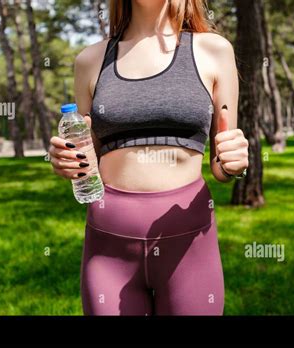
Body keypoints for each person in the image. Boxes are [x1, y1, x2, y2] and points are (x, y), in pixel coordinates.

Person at [49, 0, 248, 315]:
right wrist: (66, 160)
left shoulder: (214, 51)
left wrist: (231, 162)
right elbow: (86, 152)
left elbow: (223, 161)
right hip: (109, 245)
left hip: (188, 244)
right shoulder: (90, 60)